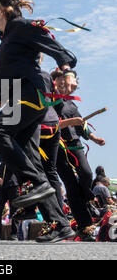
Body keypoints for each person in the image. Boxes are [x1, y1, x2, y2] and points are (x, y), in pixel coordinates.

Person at [0, 0, 76, 243]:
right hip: (19, 98)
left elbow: (56, 46)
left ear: (3, 9)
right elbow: (0, 83)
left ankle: (37, 183)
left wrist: (67, 70)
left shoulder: (22, 27)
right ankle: (60, 224)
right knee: (31, 159)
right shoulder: (4, 43)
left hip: (32, 93)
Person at [52, 69, 106, 241]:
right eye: (60, 81)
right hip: (57, 147)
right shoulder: (48, 101)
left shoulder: (71, 104)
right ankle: (84, 226)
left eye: (65, 82)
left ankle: (88, 200)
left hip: (75, 144)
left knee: (87, 173)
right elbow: (47, 126)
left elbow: (82, 126)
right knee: (71, 186)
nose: (64, 85)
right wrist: (68, 122)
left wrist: (94, 138)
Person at [0, 160, 19, 240]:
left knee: (15, 210)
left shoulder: (14, 156)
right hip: (1, 187)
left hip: (13, 185)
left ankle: (14, 233)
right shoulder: (0, 161)